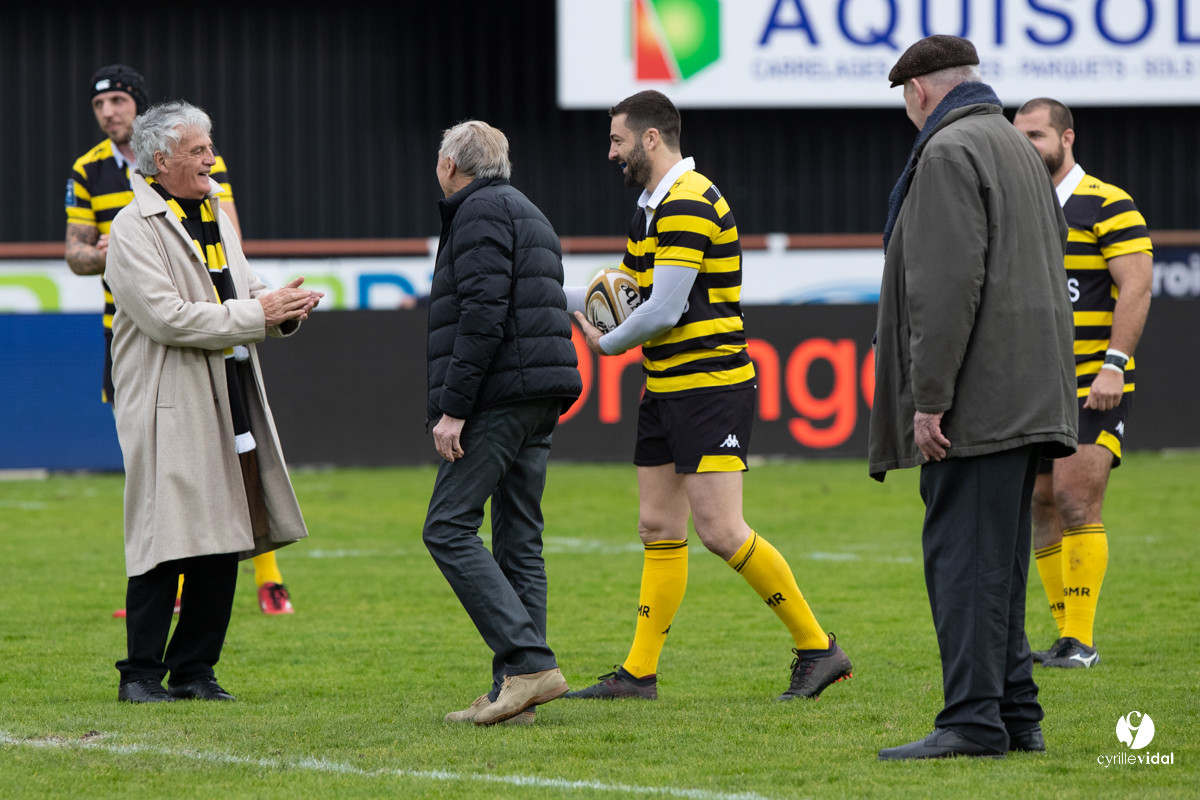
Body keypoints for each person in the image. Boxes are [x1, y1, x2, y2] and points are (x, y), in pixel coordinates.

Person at [568, 90, 851, 704]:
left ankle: (818, 648)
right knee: (657, 526)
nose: (610, 152)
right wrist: (541, 288)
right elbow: (628, 294)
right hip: (666, 386)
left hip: (710, 387)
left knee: (722, 531)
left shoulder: (691, 201)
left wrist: (610, 344)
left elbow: (665, 309)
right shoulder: (651, 207)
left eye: (617, 140)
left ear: (650, 138)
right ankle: (638, 675)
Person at [869, 36, 1078, 760]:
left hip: (980, 400)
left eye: (905, 96)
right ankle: (1016, 713)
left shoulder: (949, 152)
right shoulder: (1019, 147)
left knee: (963, 561)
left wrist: (929, 400)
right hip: (1028, 391)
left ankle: (972, 720)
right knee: (999, 563)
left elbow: (946, 286)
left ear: (920, 90)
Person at [104, 101, 322, 703]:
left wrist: (285, 309)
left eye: (209, 148)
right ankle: (141, 676)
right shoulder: (131, 227)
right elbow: (168, 319)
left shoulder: (216, 216)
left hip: (228, 394)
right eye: (199, 150)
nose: (210, 158)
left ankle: (196, 671)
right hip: (166, 402)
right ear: (161, 159)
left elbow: (247, 291)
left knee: (225, 533)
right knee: (164, 535)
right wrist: (260, 313)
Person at [65, 64, 295, 617]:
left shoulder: (203, 179)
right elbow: (76, 255)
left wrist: (270, 307)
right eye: (99, 105)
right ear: (161, 156)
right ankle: (151, 647)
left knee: (229, 476)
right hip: (137, 344)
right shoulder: (88, 171)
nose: (107, 113)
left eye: (118, 101)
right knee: (163, 486)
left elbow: (227, 250)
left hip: (214, 343)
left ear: (138, 109)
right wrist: (117, 254)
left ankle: (263, 585)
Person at [423, 120, 582, 727]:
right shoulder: (527, 210)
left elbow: (484, 314)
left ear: (451, 166)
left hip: (499, 395)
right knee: (519, 539)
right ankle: (516, 694)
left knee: (447, 527)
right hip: (538, 391)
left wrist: (454, 408)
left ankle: (528, 664)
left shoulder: (477, 214)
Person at [1012, 99, 1153, 670]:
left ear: (1068, 138)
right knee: (1041, 502)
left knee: (1074, 498)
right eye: (1019, 135)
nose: (1027, 145)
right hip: (1033, 386)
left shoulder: (1108, 202)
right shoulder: (1018, 205)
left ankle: (1082, 642)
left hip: (1093, 382)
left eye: (1037, 135)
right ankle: (1064, 636)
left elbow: (1137, 286)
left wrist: (1114, 363)